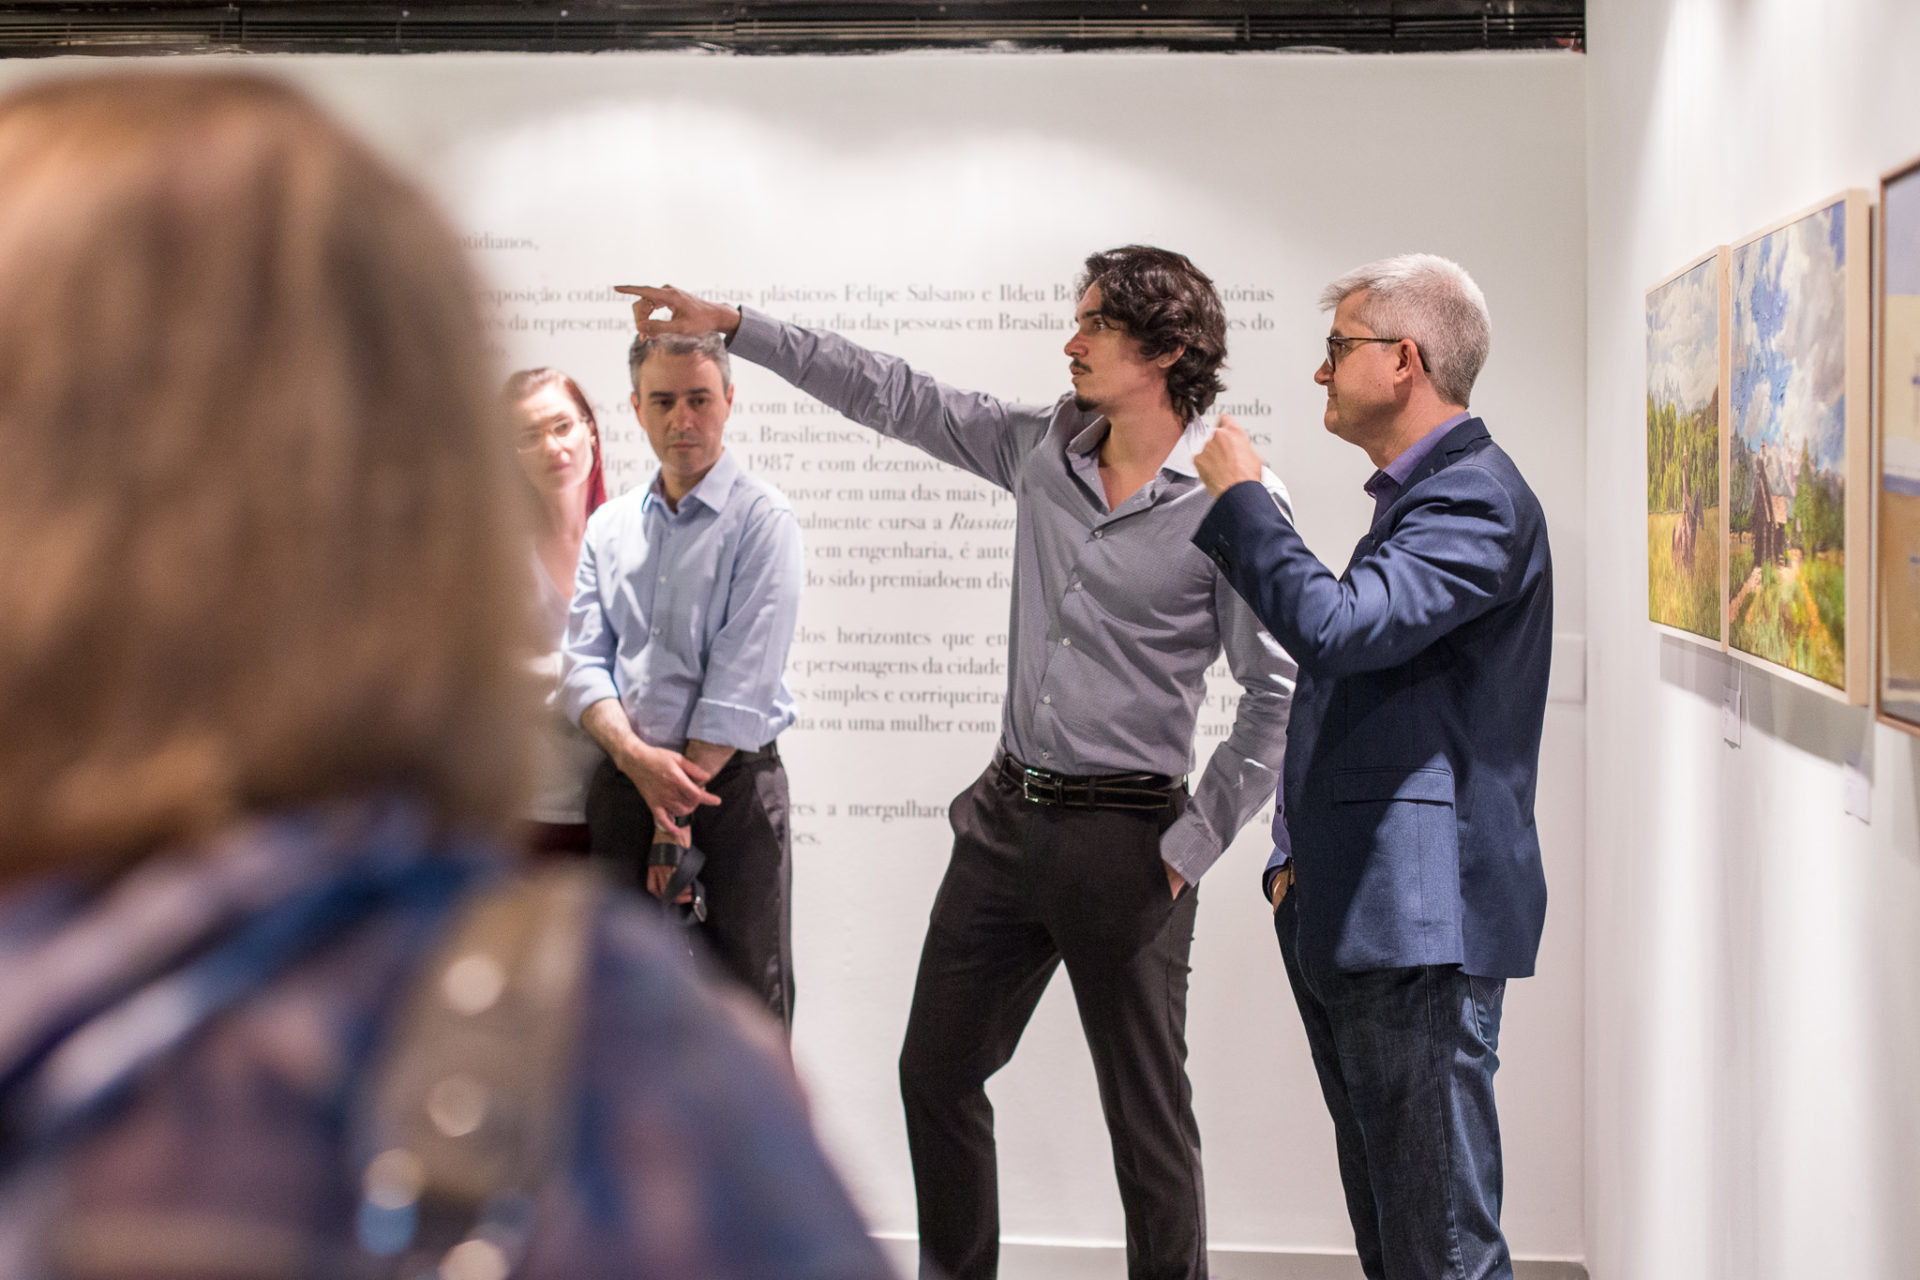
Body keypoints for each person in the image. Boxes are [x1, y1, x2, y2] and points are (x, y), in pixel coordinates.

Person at [0, 70, 891, 1280]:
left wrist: (658, 772)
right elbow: (586, 659)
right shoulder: (625, 1075)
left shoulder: (748, 525)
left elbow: (698, 673)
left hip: (683, 796)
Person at [618, 246, 1297, 1280]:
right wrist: (736, 323)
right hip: (1005, 822)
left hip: (1130, 844)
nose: (1070, 343)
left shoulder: (1232, 498)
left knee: (1146, 1120)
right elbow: (893, 393)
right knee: (934, 1074)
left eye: (1096, 325)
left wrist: (1188, 848)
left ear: (1165, 351)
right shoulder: (1044, 449)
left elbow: (1276, 691)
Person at [1191, 254, 1552, 1280]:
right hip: (1368, 912)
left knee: (1440, 1247)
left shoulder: (1476, 499)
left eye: (1337, 347)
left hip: (1417, 927)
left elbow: (1341, 630)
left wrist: (1247, 500)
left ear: (1405, 359)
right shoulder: (1428, 497)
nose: (1320, 371)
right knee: (1400, 1240)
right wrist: (1292, 868)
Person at [560, 331, 804, 1027]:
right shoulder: (608, 527)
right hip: (625, 785)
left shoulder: (763, 521)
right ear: (637, 408)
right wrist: (636, 760)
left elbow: (740, 686)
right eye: (663, 401)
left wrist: (673, 820)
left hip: (730, 794)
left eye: (699, 399)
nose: (682, 419)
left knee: (747, 1007)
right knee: (618, 1007)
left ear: (729, 400)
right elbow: (583, 666)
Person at [507, 367, 610, 855]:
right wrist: (594, 674)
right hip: (527, 806)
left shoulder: (634, 536)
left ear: (590, 429)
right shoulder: (499, 555)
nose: (552, 447)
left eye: (562, 426)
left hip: (620, 796)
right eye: (530, 436)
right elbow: (489, 677)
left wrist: (546, 674)